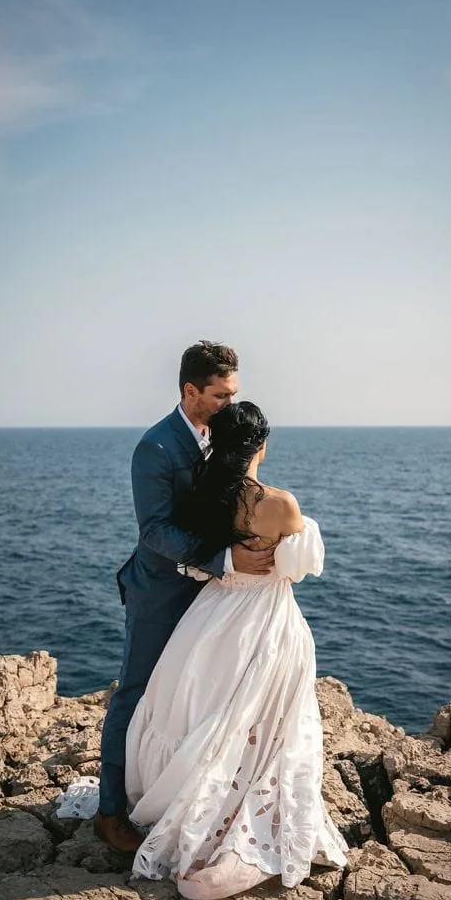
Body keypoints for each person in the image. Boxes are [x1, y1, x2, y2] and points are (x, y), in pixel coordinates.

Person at [124, 401, 348, 899]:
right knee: (265, 720)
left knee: (207, 707)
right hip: (265, 618)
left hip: (211, 614)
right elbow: (297, 568)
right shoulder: (280, 505)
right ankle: (242, 815)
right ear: (261, 445)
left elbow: (193, 554)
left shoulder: (204, 497)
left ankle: (188, 797)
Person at [95, 342, 276, 854]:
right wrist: (225, 560)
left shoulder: (225, 434)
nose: (229, 404)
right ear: (190, 391)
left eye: (233, 394)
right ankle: (110, 812)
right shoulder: (154, 448)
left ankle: (173, 798)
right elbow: (155, 531)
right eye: (220, 396)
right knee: (134, 693)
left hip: (213, 596)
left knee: (197, 698)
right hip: (160, 592)